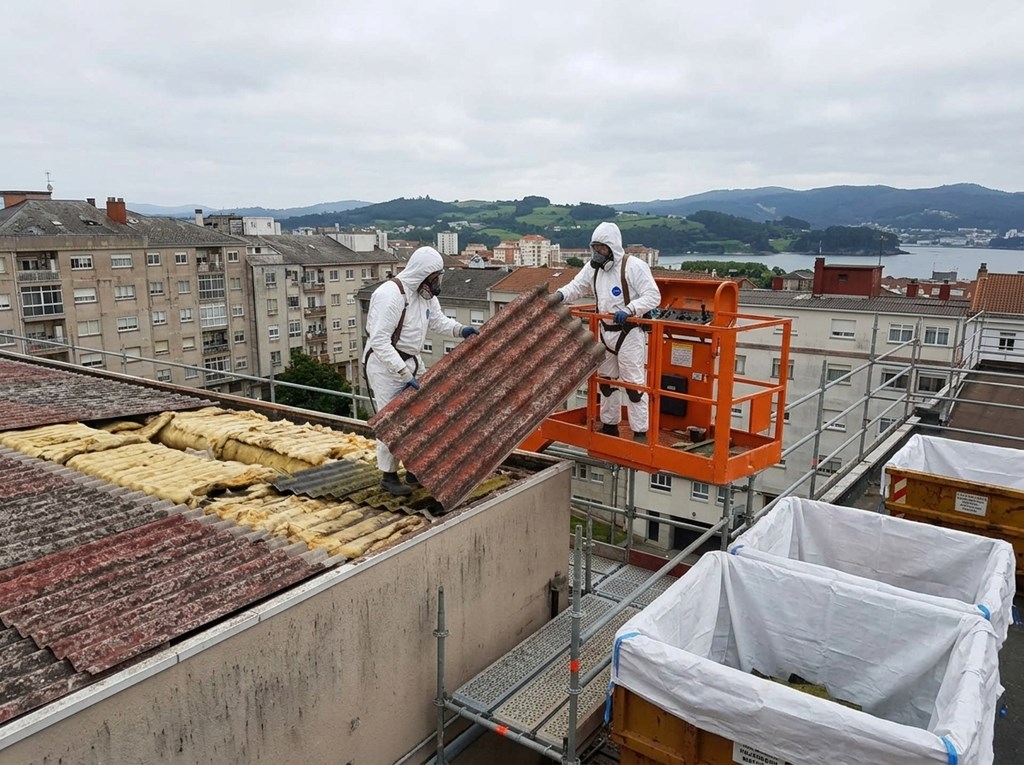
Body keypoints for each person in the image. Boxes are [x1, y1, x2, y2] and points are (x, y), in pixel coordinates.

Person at [364, 246, 478, 495]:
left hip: (412, 361)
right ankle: (389, 475)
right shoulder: (390, 295)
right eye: (434, 278)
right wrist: (403, 374)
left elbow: (438, 321)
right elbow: (380, 341)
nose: (437, 284)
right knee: (392, 420)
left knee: (421, 416)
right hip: (385, 365)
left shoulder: (424, 296)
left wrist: (461, 330)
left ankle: (415, 469)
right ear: (422, 274)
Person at [555, 222, 661, 442]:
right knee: (606, 382)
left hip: (628, 332)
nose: (598, 253)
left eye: (602, 249)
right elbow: (576, 287)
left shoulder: (633, 267)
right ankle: (610, 424)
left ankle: (640, 430)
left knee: (633, 384)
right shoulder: (593, 269)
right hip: (604, 330)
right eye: (595, 248)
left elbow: (653, 296)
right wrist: (559, 296)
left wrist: (630, 309)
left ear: (612, 247)